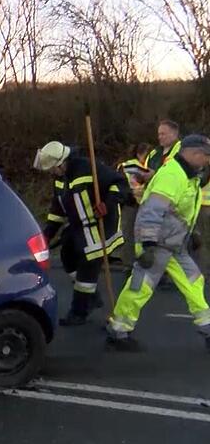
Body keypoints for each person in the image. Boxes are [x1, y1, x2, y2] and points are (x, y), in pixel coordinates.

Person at [105, 135, 210, 352]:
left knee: (194, 282)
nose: (207, 160)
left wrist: (193, 233)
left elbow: (180, 213)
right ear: (192, 154)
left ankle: (207, 327)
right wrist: (147, 245)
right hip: (158, 244)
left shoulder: (188, 176)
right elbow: (151, 212)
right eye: (206, 156)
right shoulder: (173, 176)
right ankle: (118, 330)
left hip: (174, 244)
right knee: (139, 288)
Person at [34, 141, 128, 326]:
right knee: (67, 254)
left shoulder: (88, 167)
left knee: (88, 266)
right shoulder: (60, 178)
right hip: (80, 226)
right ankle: (91, 296)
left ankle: (80, 311)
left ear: (61, 163)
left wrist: (107, 204)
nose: (51, 173)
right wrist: (46, 236)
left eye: (52, 169)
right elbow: (57, 210)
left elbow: (119, 184)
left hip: (100, 225)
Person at [115, 143, 152, 270]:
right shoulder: (134, 167)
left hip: (133, 204)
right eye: (146, 155)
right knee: (132, 235)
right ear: (139, 154)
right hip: (133, 204)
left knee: (130, 235)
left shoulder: (126, 165)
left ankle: (130, 264)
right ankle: (131, 265)